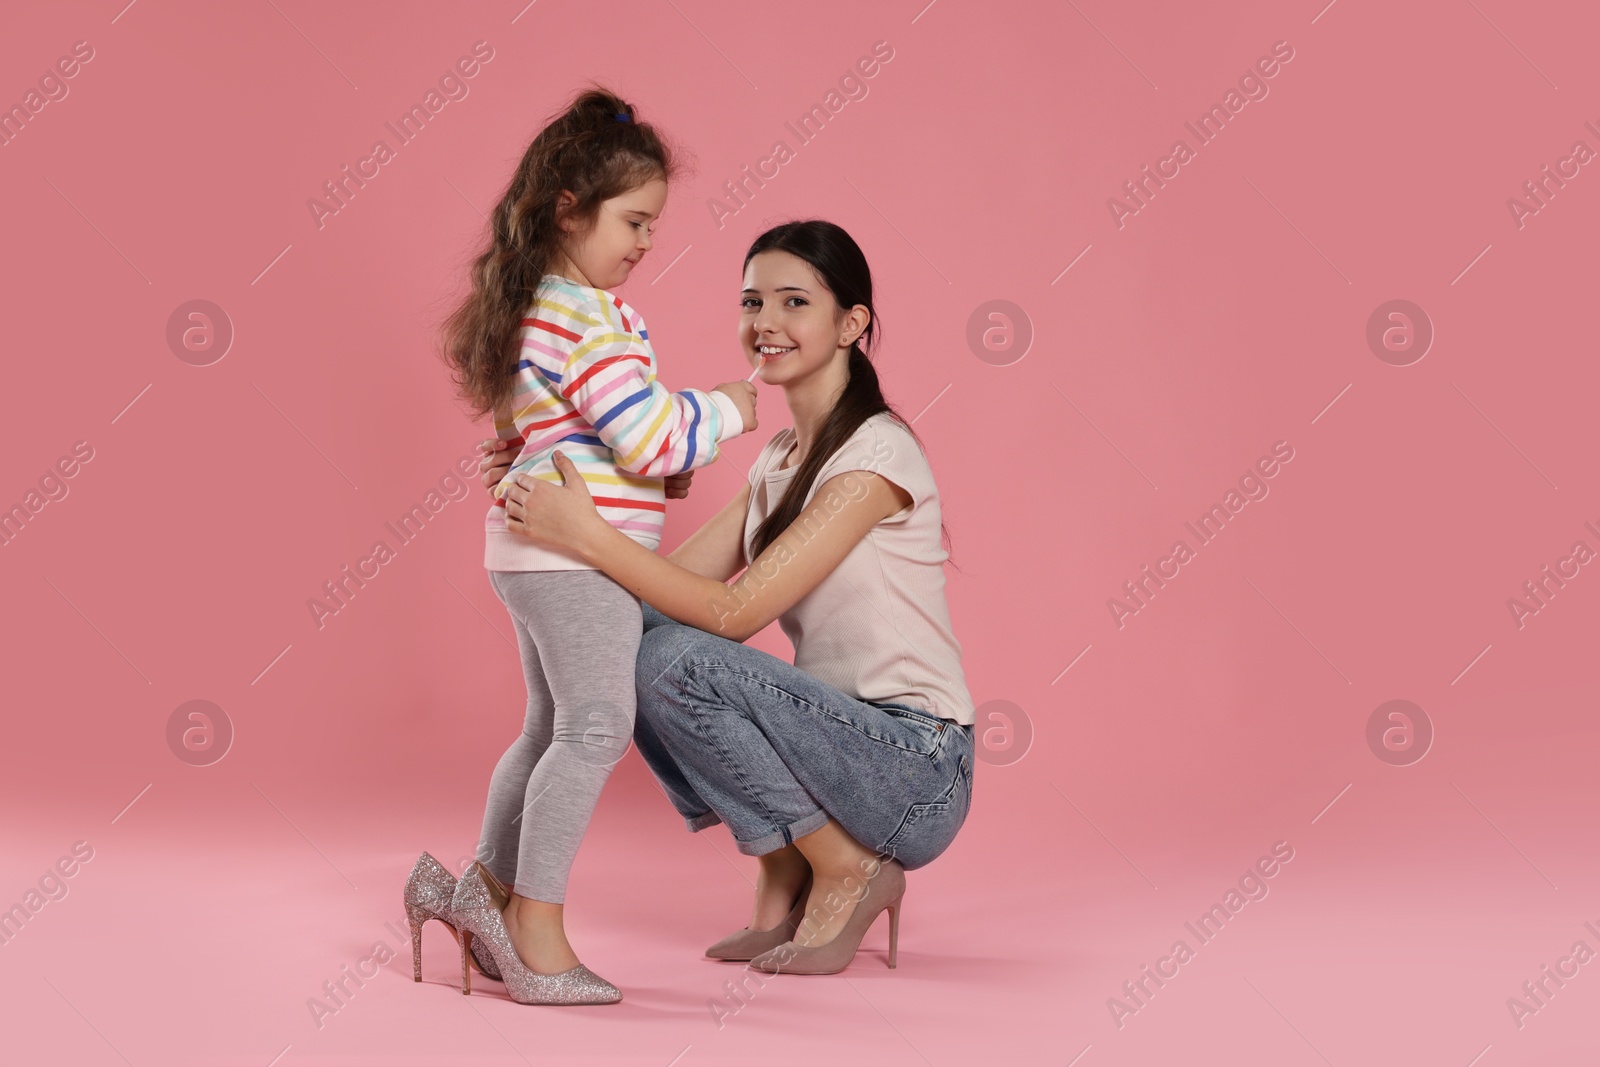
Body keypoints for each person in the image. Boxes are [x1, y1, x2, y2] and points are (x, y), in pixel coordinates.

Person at [485, 219, 975, 976]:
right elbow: (657, 590)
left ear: (853, 324)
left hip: (917, 765)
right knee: (632, 636)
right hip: (838, 749)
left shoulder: (876, 456)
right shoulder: (780, 458)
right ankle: (790, 861)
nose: (765, 323)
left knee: (674, 658)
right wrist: (546, 466)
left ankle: (845, 867)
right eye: (752, 302)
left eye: (793, 302)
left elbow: (730, 614)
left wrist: (586, 533)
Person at [423, 85, 758, 1006]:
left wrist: (650, 472)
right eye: (636, 221)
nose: (647, 243)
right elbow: (648, 433)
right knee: (597, 726)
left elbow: (573, 438)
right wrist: (726, 408)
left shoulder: (538, 306)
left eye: (655, 225)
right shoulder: (587, 317)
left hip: (529, 555)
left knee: (548, 729)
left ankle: (476, 893)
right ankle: (534, 924)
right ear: (569, 211)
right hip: (575, 561)